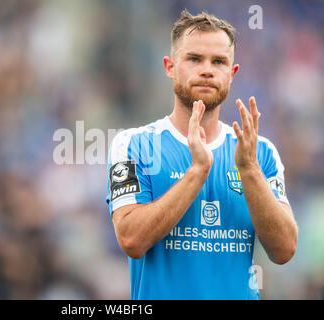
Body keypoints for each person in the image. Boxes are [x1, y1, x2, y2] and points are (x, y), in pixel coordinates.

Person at [106, 10, 298, 300]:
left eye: (218, 61)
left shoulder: (260, 152)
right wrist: (196, 173)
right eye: (194, 59)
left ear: (232, 74)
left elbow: (284, 250)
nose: (207, 70)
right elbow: (131, 239)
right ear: (170, 67)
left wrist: (249, 171)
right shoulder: (134, 145)